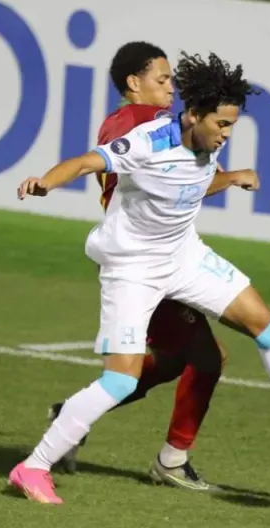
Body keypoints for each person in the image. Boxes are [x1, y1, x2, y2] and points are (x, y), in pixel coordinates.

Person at [10, 51, 270, 505]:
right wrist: (44, 183)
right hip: (132, 266)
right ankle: (32, 467)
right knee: (120, 381)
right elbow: (85, 163)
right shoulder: (149, 140)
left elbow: (189, 183)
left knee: (268, 326)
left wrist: (229, 178)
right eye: (222, 126)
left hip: (184, 255)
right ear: (193, 116)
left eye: (232, 126)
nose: (227, 135)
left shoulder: (205, 147)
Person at [47, 41, 228, 492]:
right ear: (135, 84)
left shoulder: (126, 121)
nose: (173, 89)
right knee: (206, 358)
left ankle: (70, 413)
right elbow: (148, 182)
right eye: (163, 80)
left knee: (171, 362)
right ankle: (171, 460)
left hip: (152, 256)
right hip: (147, 263)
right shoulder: (141, 125)